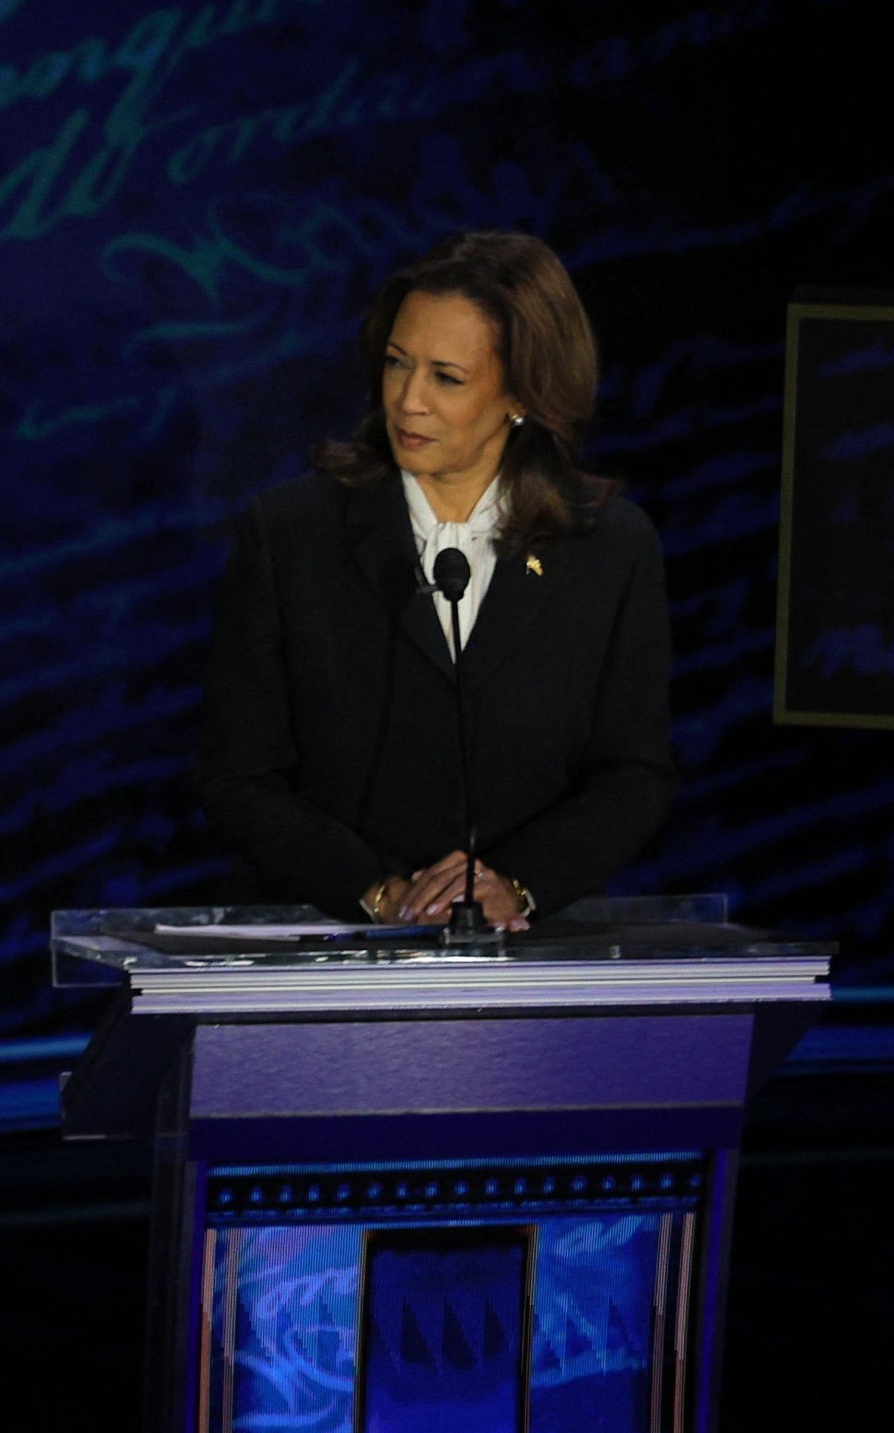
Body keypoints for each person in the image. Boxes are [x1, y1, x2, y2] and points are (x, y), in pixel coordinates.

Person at [197, 231, 674, 930]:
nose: (407, 400)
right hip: (328, 948)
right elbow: (237, 777)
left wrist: (516, 884)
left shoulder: (609, 547)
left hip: (524, 968)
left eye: (446, 377)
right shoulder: (291, 536)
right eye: (396, 365)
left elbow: (636, 773)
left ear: (522, 392)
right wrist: (385, 894)